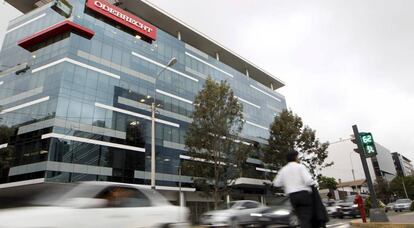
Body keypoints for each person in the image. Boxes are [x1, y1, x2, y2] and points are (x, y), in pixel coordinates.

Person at [273, 150, 317, 228]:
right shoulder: (300, 166)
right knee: (306, 217)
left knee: (300, 217)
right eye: (297, 156)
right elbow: (308, 180)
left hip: (292, 196)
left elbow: (276, 183)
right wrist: (314, 183)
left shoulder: (283, 169)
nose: (298, 158)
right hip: (303, 195)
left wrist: (287, 184)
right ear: (295, 157)